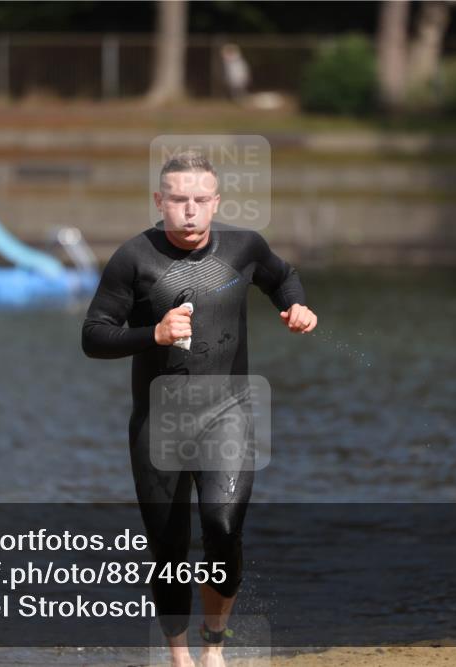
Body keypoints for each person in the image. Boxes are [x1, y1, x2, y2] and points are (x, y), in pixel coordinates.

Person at [81, 151, 316, 667]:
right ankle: (179, 657)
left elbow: (282, 276)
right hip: (159, 423)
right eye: (178, 200)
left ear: (216, 202)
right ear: (159, 201)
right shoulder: (133, 258)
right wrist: (154, 333)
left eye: (200, 200)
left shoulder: (244, 247)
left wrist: (294, 305)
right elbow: (93, 336)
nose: (190, 211)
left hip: (229, 413)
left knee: (223, 526)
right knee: (169, 550)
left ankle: (213, 644)